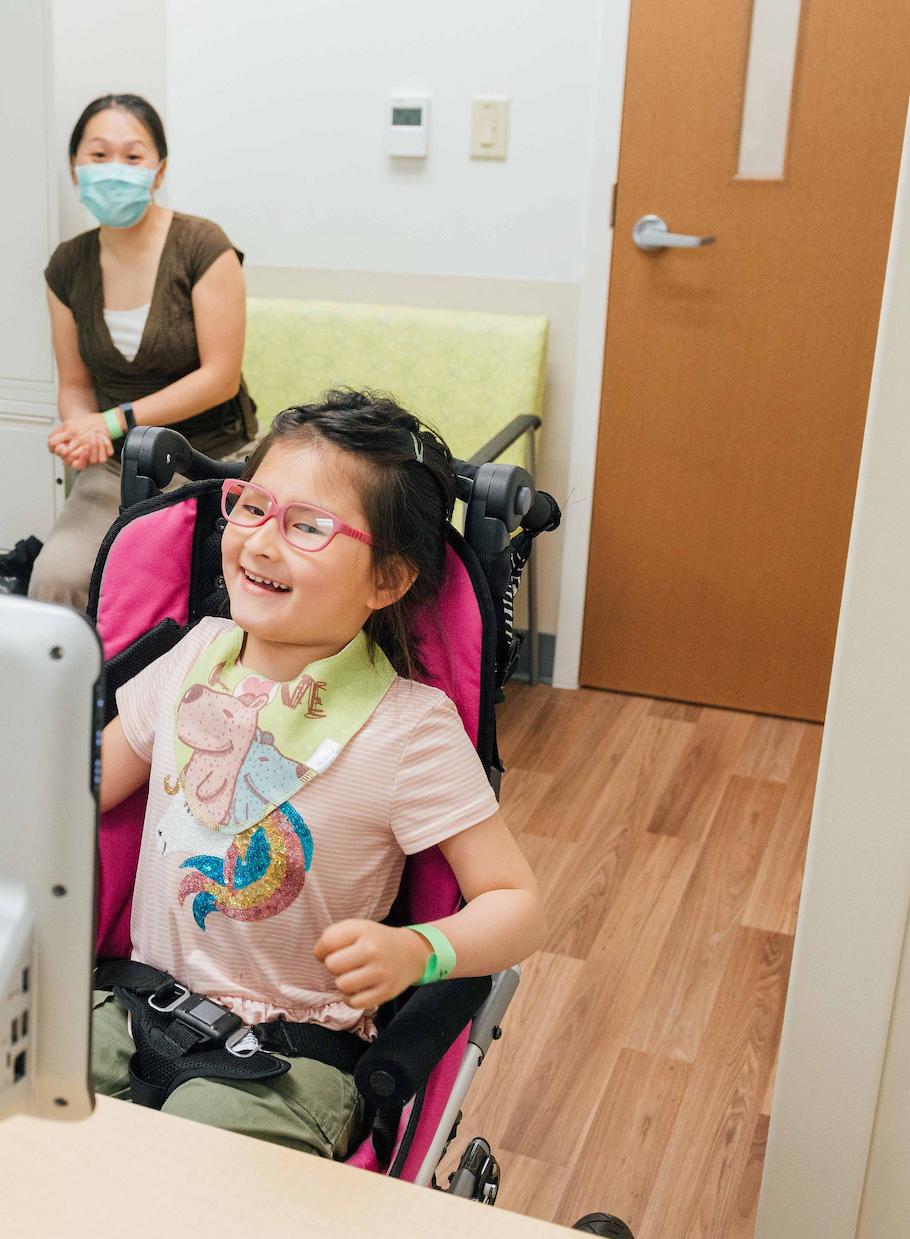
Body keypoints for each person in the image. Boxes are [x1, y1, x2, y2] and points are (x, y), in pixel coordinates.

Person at [92, 390, 547, 1158]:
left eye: (307, 527)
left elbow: (519, 905)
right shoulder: (189, 654)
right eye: (253, 508)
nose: (263, 542)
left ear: (387, 582)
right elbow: (83, 787)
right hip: (132, 1003)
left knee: (176, 1180)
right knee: (11, 1112)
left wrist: (421, 952)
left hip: (290, 1055)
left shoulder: (410, 729)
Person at [30, 94, 254, 611]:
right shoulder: (67, 266)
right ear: (75, 168)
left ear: (159, 170)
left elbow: (220, 377)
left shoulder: (202, 245)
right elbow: (75, 385)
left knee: (193, 587)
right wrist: (80, 430)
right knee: (56, 579)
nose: (115, 170)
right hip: (118, 467)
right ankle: (80, 694)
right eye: (98, 154)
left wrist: (109, 423)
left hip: (211, 458)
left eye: (133, 157)